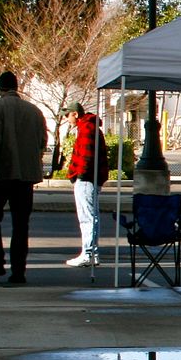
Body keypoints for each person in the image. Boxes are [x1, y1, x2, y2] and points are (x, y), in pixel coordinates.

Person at [0, 71, 47, 284]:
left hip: (0, 174)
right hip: (25, 177)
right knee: (21, 224)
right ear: (16, 87)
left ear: (0, 88)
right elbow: (42, 142)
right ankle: (18, 271)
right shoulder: (34, 111)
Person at [64, 101, 110, 268]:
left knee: (87, 217)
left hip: (86, 179)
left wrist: (79, 174)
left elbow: (86, 155)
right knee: (91, 216)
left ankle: (89, 253)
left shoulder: (86, 129)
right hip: (91, 178)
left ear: (75, 114)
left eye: (67, 115)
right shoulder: (90, 127)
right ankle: (91, 252)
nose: (67, 119)